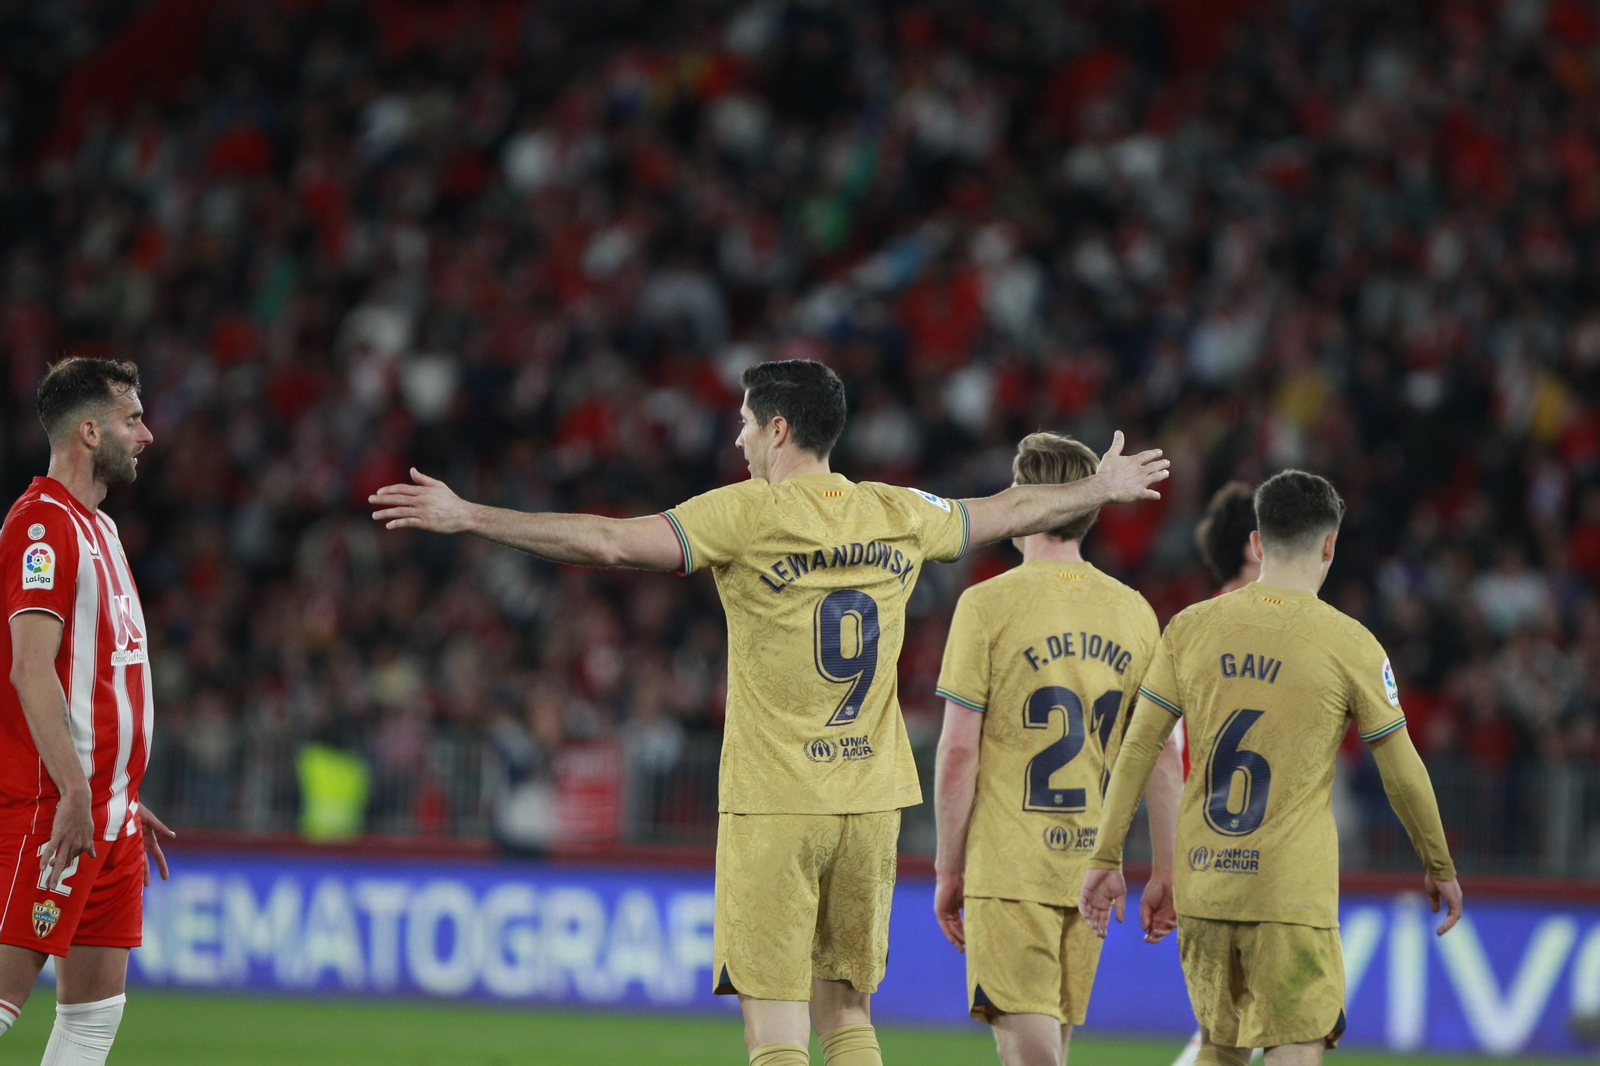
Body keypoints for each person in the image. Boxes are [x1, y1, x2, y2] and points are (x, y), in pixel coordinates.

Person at [370, 359, 1169, 1066]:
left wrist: (471, 515)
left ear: (779, 429)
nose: (739, 440)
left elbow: (611, 545)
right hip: (869, 805)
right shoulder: (898, 511)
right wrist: (1100, 485)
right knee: (849, 1014)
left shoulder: (745, 513)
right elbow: (1008, 509)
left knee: (775, 1030)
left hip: (775, 802)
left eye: (746, 424)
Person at [1079, 469, 1463, 1066]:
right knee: (1295, 1046)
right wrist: (1437, 862)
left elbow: (1137, 749)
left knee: (1220, 1050)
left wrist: (1106, 856)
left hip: (1206, 886)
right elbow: (1401, 768)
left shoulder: (1189, 628)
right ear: (1329, 544)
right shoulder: (1351, 643)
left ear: (1258, 540)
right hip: (1290, 896)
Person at [931, 432, 1183, 1066]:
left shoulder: (986, 606)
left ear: (1026, 499)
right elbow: (1158, 754)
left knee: (1031, 1055)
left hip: (1010, 864)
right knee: (1054, 1048)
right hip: (1090, 869)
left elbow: (960, 751)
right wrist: (1168, 868)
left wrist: (948, 866)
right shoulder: (1134, 612)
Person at [0, 357, 176, 1066]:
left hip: (110, 814)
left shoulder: (99, 529)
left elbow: (104, 681)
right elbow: (28, 667)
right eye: (134, 419)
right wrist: (77, 787)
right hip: (51, 809)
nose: (148, 435)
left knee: (92, 1022)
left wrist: (119, 792)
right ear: (91, 430)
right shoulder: (41, 527)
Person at [1171, 480, 1262, 1066]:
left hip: (1199, 851)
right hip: (1263, 855)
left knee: (1226, 1034)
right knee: (1257, 1033)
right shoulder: (1291, 630)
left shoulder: (1187, 630)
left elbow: (1156, 748)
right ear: (1258, 545)